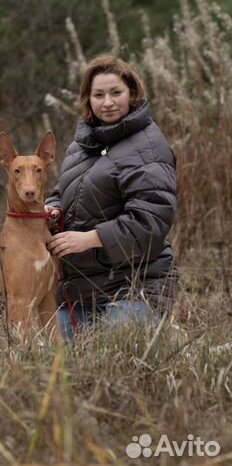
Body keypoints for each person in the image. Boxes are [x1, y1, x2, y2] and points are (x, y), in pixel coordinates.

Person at [45, 54, 178, 340]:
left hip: (135, 285)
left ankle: (167, 337)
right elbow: (63, 192)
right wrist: (53, 209)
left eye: (116, 93)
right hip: (81, 289)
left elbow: (151, 221)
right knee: (52, 355)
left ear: (132, 94)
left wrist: (91, 238)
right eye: (98, 94)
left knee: (117, 349)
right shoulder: (82, 146)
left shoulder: (149, 147)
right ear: (87, 99)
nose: (107, 102)